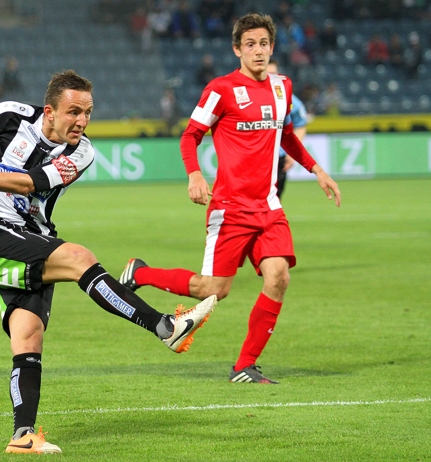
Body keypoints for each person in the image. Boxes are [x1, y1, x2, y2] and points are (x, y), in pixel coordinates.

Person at [0, 70, 217, 454]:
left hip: (32, 239)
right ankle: (165, 326)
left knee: (29, 336)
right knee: (80, 258)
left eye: (88, 113)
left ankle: (22, 436)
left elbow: (30, 183)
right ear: (49, 111)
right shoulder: (9, 114)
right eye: (73, 112)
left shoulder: (81, 153)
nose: (81, 121)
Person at [118, 13, 340, 384]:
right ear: (237, 49)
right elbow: (190, 135)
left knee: (279, 276)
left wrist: (317, 169)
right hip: (230, 209)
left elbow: (286, 136)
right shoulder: (220, 89)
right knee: (214, 290)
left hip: (269, 206)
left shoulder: (283, 86)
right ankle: (139, 273)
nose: (258, 51)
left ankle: (245, 366)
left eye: (264, 44)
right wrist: (194, 174)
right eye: (250, 44)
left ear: (272, 47)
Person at [266, 59, 308, 198]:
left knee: (275, 202)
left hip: (279, 160)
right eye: (267, 74)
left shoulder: (287, 99)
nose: (270, 78)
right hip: (253, 159)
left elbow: (301, 124)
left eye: (273, 74)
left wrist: (292, 153)